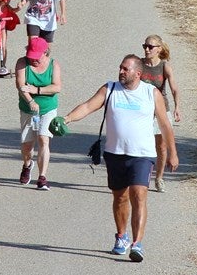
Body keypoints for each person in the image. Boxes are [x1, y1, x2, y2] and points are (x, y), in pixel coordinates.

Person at [49, 55, 178, 263]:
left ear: (138, 73)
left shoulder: (151, 93)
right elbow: (88, 106)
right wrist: (67, 118)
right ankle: (121, 236)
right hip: (115, 153)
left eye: (126, 69)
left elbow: (164, 125)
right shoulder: (110, 89)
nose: (121, 71)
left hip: (142, 154)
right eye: (120, 68)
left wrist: (172, 152)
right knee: (120, 198)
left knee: (139, 195)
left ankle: (137, 243)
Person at [15, 37, 63, 190]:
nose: (33, 60)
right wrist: (31, 101)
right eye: (31, 56)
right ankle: (27, 164)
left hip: (48, 108)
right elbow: (20, 85)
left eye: (36, 57)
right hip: (28, 109)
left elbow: (57, 87)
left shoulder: (53, 64)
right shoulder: (22, 63)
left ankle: (42, 177)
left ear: (45, 53)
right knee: (27, 146)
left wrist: (37, 90)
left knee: (44, 139)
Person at [139, 35, 182, 191]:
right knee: (140, 145)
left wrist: (177, 107)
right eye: (145, 46)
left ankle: (159, 178)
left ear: (159, 49)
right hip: (142, 111)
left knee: (162, 147)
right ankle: (140, 176)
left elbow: (174, 89)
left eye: (151, 47)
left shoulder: (164, 67)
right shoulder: (138, 64)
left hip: (161, 111)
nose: (147, 49)